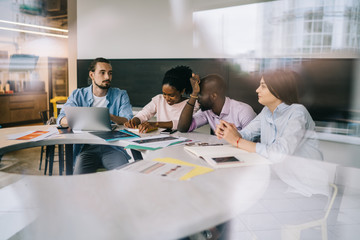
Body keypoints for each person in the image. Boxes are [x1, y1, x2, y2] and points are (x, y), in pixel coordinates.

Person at [215, 69, 323, 161]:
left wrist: (237, 141)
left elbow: (280, 153)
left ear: (278, 89)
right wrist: (230, 131)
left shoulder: (298, 112)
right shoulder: (266, 111)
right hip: (279, 175)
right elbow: (247, 134)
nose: (257, 90)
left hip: (303, 182)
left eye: (263, 86)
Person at [57, 57, 133, 174]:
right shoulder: (78, 95)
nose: (107, 77)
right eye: (102, 73)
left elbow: (128, 120)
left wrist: (110, 116)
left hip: (113, 148)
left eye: (110, 73)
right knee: (79, 180)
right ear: (92, 75)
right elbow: (61, 119)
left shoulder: (121, 95)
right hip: (86, 149)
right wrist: (81, 117)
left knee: (123, 176)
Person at [124, 66, 199, 133]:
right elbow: (144, 113)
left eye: (171, 95)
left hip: (183, 140)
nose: (167, 98)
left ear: (182, 91)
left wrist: (156, 124)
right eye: (164, 94)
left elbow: (181, 124)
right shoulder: (159, 99)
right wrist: (135, 121)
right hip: (161, 139)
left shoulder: (192, 104)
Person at [177, 73, 256, 133]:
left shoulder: (243, 111)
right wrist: (194, 94)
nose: (197, 98)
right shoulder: (207, 111)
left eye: (200, 94)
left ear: (214, 96)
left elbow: (252, 142)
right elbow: (183, 128)